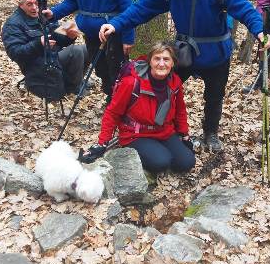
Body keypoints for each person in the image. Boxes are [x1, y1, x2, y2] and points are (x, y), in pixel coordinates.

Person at [98, 0, 270, 152]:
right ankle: (160, 127)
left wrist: (260, 32)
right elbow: (142, 7)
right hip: (184, 51)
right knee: (163, 86)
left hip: (216, 51)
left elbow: (243, 8)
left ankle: (211, 133)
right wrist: (116, 24)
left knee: (214, 95)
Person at [83, 42, 196, 173]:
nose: (161, 64)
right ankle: (155, 153)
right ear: (150, 61)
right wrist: (102, 143)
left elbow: (180, 110)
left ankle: (159, 151)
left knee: (187, 162)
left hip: (164, 131)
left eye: (166, 59)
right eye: (157, 59)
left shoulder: (174, 81)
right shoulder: (132, 82)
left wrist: (184, 134)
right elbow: (113, 113)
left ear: (172, 63)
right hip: (136, 134)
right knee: (161, 162)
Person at [1, 0, 88, 97]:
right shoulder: (13, 24)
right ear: (20, 5)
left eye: (36, 3)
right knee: (75, 51)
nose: (34, 8)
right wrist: (38, 44)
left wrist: (69, 36)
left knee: (86, 49)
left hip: (53, 58)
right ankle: (73, 88)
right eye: (29, 4)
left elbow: (58, 37)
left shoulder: (42, 15)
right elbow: (15, 53)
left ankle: (76, 82)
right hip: (37, 65)